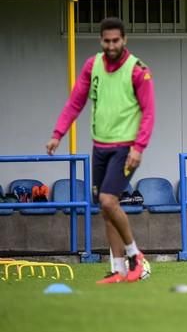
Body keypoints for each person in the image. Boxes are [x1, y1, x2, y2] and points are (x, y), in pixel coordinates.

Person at [46, 17, 155, 284]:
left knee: (108, 200)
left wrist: (139, 148)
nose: (111, 45)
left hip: (126, 149)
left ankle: (135, 256)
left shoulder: (137, 70)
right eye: (106, 41)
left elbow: (149, 112)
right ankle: (118, 270)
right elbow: (75, 103)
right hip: (100, 147)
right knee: (105, 208)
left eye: (115, 40)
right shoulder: (91, 66)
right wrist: (58, 134)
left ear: (124, 40)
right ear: (100, 41)